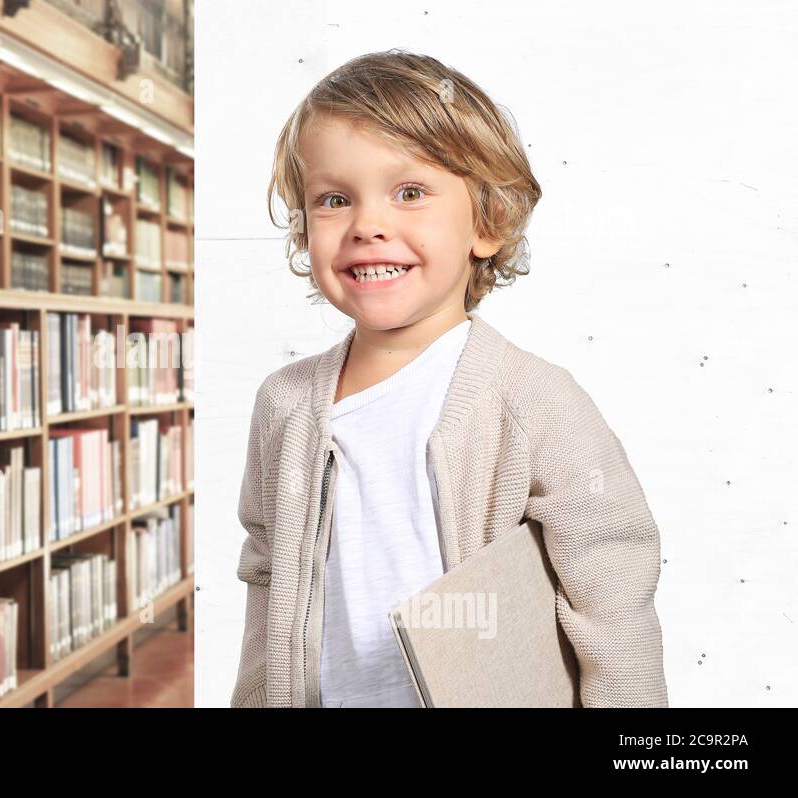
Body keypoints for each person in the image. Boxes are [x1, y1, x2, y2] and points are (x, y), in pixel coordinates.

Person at [230, 50, 668, 708]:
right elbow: (268, 579)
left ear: (487, 223)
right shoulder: (285, 404)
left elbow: (613, 597)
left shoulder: (533, 400)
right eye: (333, 199)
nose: (367, 225)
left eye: (409, 192)